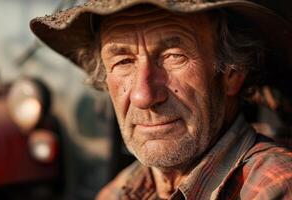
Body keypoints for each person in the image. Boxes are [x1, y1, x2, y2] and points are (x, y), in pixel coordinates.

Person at [30, 0, 292, 199]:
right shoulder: (118, 192)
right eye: (123, 62)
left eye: (173, 56)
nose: (143, 96)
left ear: (232, 73)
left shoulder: (273, 186)